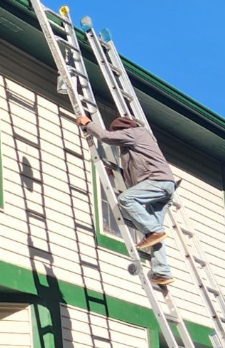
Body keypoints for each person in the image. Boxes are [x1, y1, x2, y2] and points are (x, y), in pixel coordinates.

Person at [75, 111, 177, 288]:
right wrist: (116, 173)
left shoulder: (136, 133)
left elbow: (106, 136)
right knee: (154, 235)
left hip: (158, 182)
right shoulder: (132, 149)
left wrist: (88, 123)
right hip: (160, 187)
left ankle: (153, 231)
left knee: (126, 199)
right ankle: (162, 271)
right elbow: (135, 175)